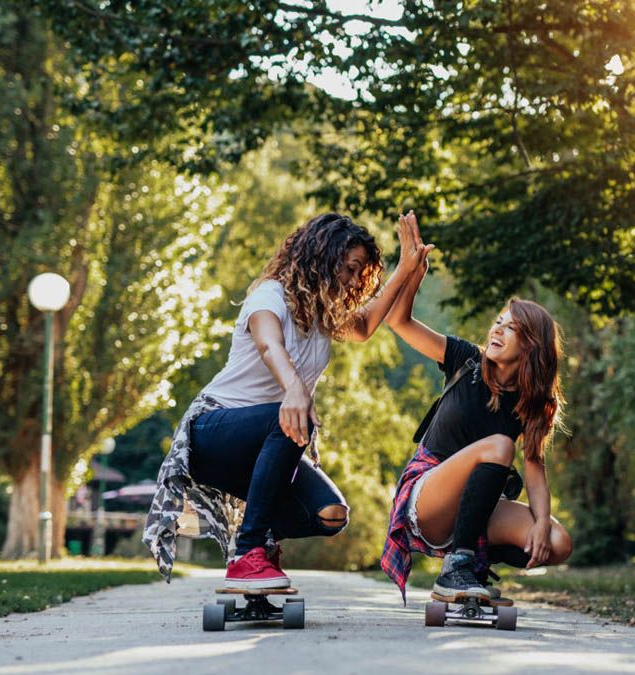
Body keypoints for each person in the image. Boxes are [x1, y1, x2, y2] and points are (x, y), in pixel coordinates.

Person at [145, 211, 427, 588]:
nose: (354, 281)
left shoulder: (324, 315)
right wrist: (295, 389)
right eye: (349, 268)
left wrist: (406, 268)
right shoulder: (270, 296)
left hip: (266, 444)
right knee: (294, 419)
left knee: (329, 514)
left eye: (360, 274)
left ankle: (259, 541)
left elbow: (364, 327)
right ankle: (247, 554)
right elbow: (268, 344)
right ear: (321, 259)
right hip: (212, 434)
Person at [379, 215, 572, 604]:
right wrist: (414, 273)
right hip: (427, 498)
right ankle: (458, 566)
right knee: (499, 446)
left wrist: (538, 525)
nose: (497, 330)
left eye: (511, 327)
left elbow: (535, 473)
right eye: (497, 322)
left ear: (532, 345)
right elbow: (397, 321)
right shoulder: (465, 359)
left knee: (557, 541)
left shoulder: (535, 404)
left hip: (477, 508)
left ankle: (472, 563)